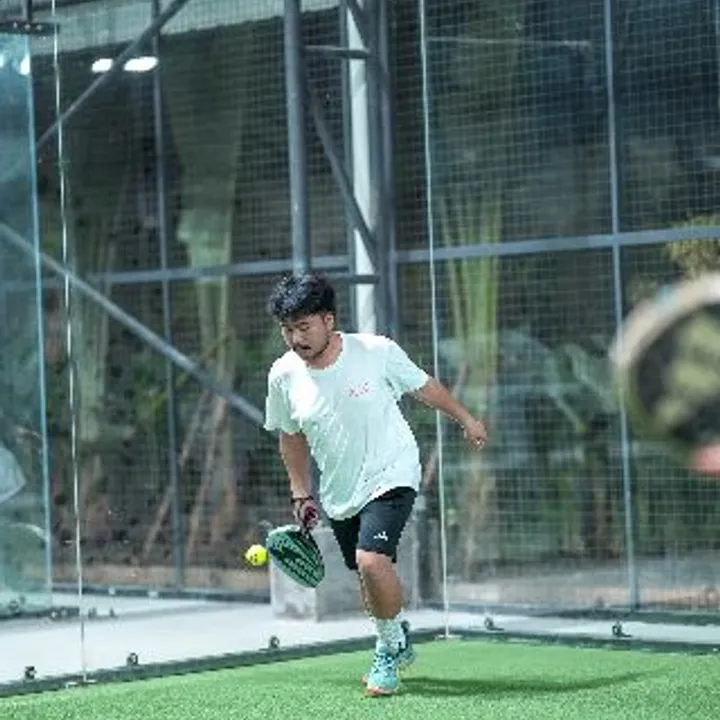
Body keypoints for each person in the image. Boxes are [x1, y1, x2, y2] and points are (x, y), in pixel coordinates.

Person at [263, 272, 488, 696]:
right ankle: (395, 634)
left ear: (328, 320)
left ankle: (386, 650)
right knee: (367, 574)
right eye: (287, 330)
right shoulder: (283, 375)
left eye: (303, 327)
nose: (295, 338)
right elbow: (290, 436)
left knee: (370, 560)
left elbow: (424, 387)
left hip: (392, 472)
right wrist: (300, 492)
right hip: (339, 490)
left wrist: (466, 418)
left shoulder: (375, 351)